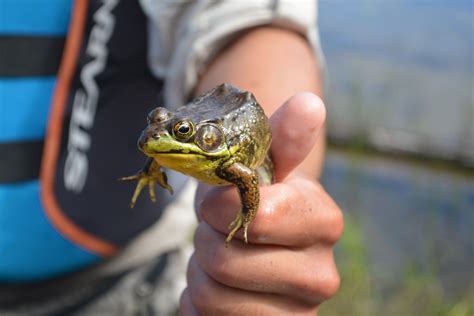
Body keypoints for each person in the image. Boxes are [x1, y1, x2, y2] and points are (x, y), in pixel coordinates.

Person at [0, 1, 343, 315]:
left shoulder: (226, 160)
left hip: (122, 285)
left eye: (176, 132)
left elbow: (252, 22)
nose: (155, 137)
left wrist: (271, 216)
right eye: (157, 125)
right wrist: (152, 170)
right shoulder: (161, 147)